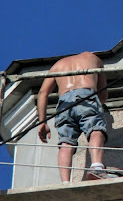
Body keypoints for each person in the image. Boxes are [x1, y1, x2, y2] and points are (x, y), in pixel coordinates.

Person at [37, 51, 109, 182]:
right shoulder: (93, 58)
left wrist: (42, 122)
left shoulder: (57, 65)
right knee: (95, 130)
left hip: (64, 103)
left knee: (66, 142)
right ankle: (97, 167)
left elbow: (42, 93)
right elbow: (103, 95)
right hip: (86, 95)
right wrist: (98, 107)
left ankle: (65, 182)